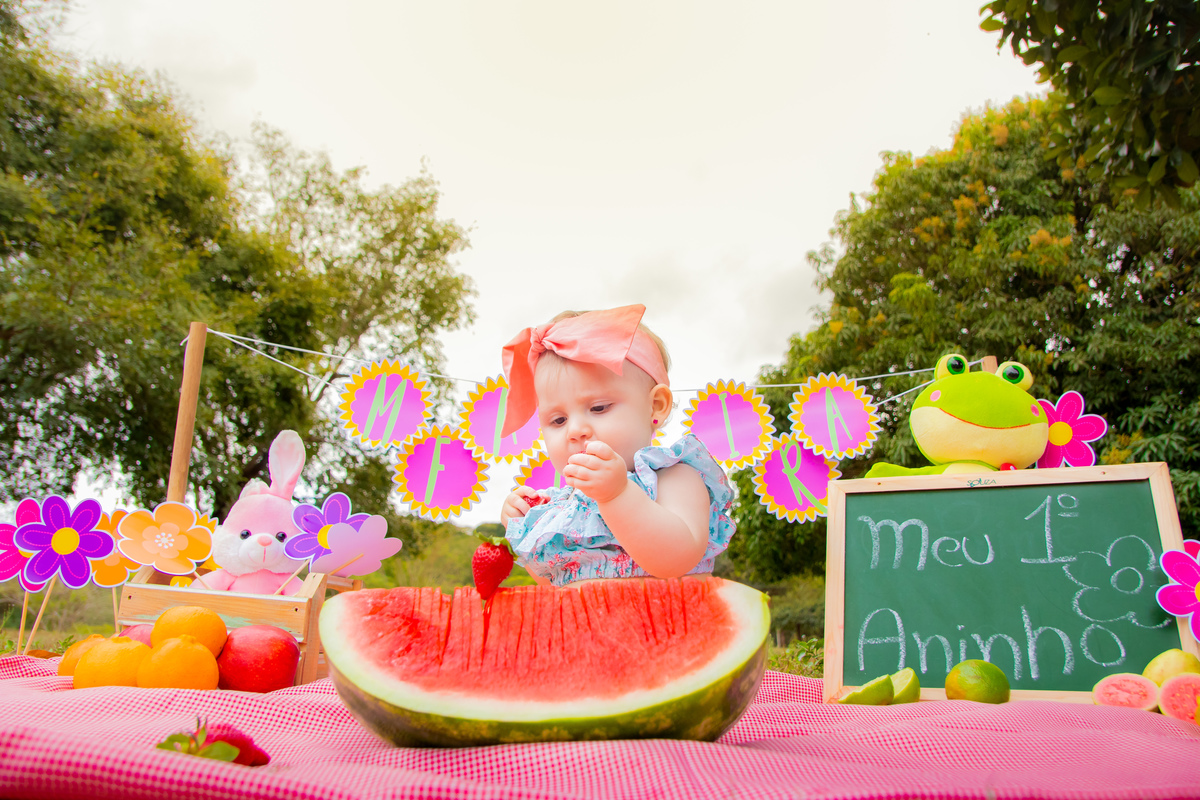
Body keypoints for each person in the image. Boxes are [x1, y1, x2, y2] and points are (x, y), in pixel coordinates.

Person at [498, 304, 735, 587]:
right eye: (558, 420)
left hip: (662, 626)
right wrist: (524, 525)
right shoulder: (562, 507)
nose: (575, 430)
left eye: (598, 408)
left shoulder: (675, 478)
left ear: (655, 406)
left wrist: (617, 495)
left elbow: (676, 561)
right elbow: (556, 584)